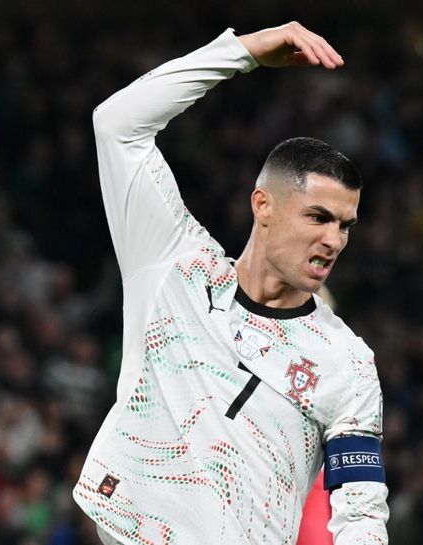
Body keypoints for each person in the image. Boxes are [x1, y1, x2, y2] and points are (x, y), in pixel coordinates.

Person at [73, 22, 388, 545]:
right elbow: (117, 124)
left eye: (344, 225)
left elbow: (361, 512)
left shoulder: (346, 363)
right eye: (317, 217)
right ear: (263, 205)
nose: (333, 240)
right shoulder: (174, 266)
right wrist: (241, 52)